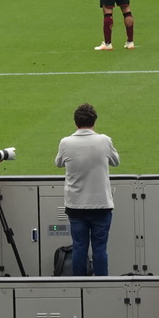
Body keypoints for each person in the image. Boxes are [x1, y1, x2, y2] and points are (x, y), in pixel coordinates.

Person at [54, 103, 120, 276]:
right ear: (94, 122)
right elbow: (116, 161)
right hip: (101, 204)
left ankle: (79, 286)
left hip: (76, 205)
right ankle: (102, 287)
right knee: (100, 249)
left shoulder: (66, 142)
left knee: (79, 248)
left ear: (76, 123)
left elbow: (58, 163)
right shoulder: (104, 140)